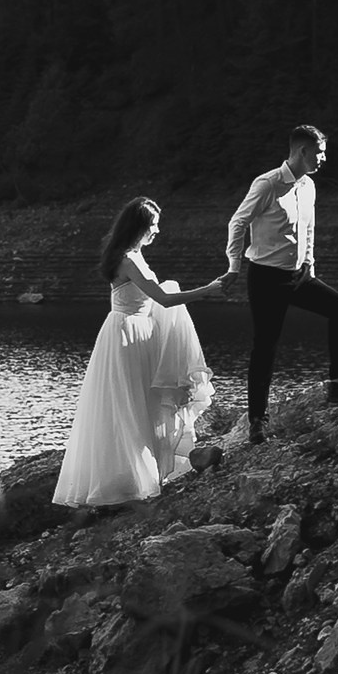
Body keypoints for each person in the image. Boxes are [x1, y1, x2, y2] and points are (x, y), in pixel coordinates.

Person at [53, 198, 226, 508]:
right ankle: (123, 484)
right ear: (140, 227)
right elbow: (164, 299)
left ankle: (146, 476)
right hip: (127, 335)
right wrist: (210, 289)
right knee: (128, 409)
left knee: (144, 407)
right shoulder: (127, 260)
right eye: (153, 225)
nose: (157, 231)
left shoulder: (135, 255)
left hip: (140, 333)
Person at [224, 123, 338, 445]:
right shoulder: (268, 184)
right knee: (265, 345)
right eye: (319, 153)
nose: (323, 159)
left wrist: (310, 265)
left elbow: (308, 228)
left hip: (298, 275)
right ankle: (257, 422)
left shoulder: (309, 187)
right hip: (265, 276)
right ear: (302, 151)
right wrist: (234, 266)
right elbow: (238, 222)